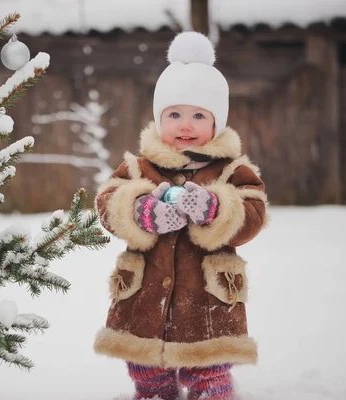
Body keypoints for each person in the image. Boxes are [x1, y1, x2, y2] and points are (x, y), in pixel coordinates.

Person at [93, 32, 268, 400]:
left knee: (207, 369)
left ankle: (210, 391)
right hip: (145, 296)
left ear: (216, 122)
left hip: (206, 301)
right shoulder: (138, 166)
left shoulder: (232, 170)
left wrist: (216, 210)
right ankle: (156, 392)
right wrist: (140, 211)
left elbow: (253, 211)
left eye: (198, 115)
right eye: (174, 114)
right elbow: (107, 201)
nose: (185, 126)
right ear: (159, 118)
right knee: (146, 368)